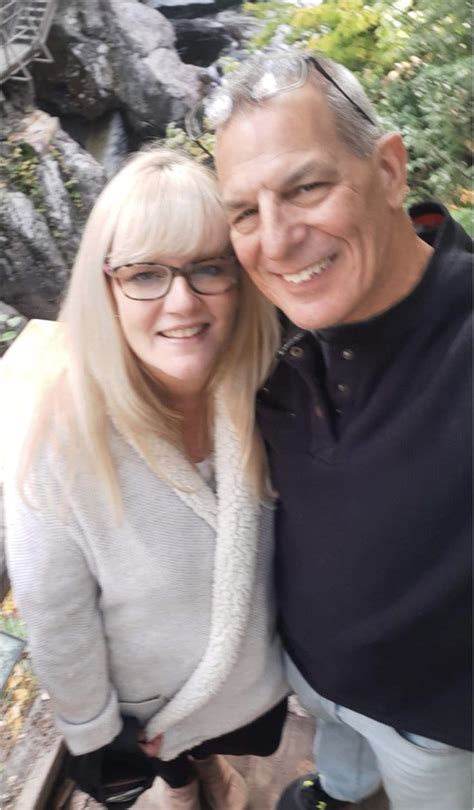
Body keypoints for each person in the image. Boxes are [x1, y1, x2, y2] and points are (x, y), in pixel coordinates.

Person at [188, 50, 472, 809]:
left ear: (387, 170)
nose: (276, 243)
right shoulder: (264, 330)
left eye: (306, 188)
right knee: (341, 779)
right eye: (245, 212)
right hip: (315, 682)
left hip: (431, 728)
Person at [5, 146, 289, 810]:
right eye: (144, 275)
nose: (182, 301)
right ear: (106, 288)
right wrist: (94, 733)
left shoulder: (267, 387)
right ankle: (184, 782)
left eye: (207, 268)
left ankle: (204, 765)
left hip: (245, 681)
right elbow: (56, 620)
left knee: (213, 747)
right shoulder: (58, 450)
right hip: (154, 710)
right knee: (176, 764)